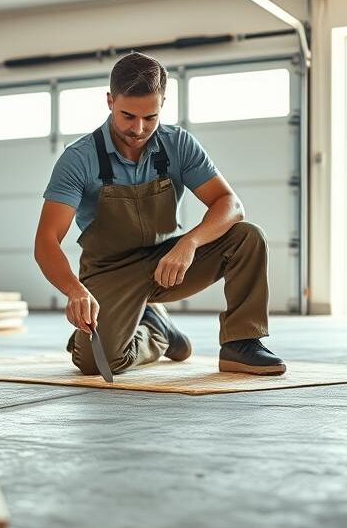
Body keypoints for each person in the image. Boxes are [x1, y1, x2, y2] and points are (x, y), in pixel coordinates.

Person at [33, 52, 284, 377]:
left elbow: (229, 204)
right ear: (110, 101)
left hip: (169, 263)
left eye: (150, 117)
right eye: (127, 116)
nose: (139, 129)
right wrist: (74, 289)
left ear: (162, 103)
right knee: (95, 363)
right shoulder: (79, 159)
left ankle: (242, 344)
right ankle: (157, 331)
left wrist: (190, 243)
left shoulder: (178, 144)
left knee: (247, 237)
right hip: (110, 271)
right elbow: (46, 241)